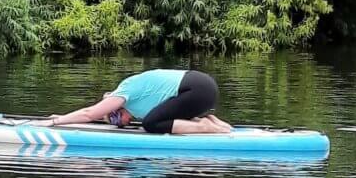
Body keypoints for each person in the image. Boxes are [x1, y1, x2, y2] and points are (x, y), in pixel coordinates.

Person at [45, 69, 233, 134]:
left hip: (197, 89)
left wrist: (56, 121)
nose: (121, 123)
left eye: (116, 119)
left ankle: (206, 127)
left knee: (151, 123)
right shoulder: (137, 103)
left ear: (116, 107)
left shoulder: (124, 92)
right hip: (202, 90)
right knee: (158, 118)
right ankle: (210, 121)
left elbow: (90, 113)